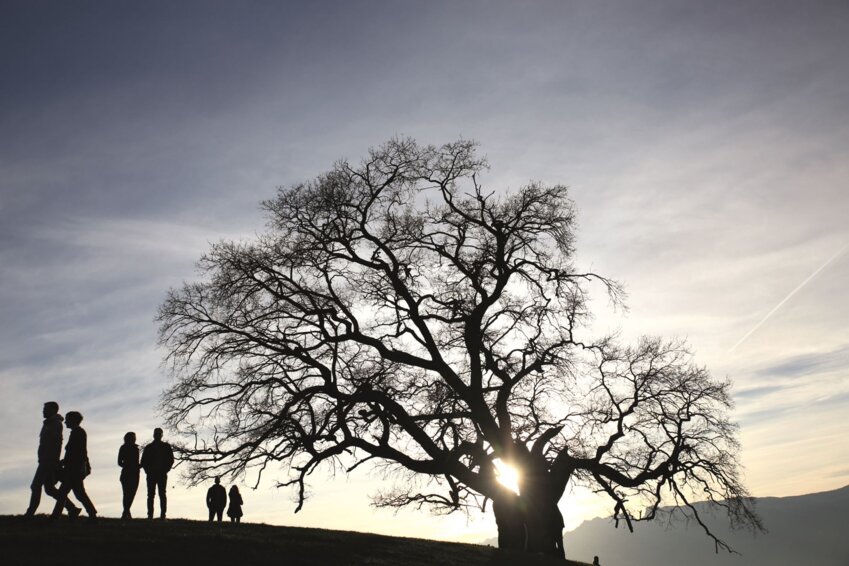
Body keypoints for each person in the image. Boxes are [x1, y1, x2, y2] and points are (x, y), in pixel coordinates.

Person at [24, 402, 81, 518]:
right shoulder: (49, 423)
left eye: (46, 409)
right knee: (49, 489)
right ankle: (72, 508)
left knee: (35, 486)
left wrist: (51, 461)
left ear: (53, 410)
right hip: (45, 460)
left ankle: (30, 513)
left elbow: (56, 444)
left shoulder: (55, 424)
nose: (43, 411)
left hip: (48, 461)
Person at [51, 411, 97, 521]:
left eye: (67, 419)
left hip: (73, 469)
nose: (65, 421)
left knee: (64, 493)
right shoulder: (77, 432)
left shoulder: (78, 432)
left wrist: (65, 463)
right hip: (73, 468)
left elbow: (78, 452)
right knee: (79, 494)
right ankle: (92, 514)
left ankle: (55, 516)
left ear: (72, 420)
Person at [140, 427, 174, 520]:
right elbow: (143, 461)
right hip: (151, 474)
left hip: (162, 473)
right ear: (154, 435)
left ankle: (163, 515)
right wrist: (147, 471)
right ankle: (150, 515)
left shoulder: (166, 447)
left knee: (162, 494)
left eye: (159, 434)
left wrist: (166, 470)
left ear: (161, 435)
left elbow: (171, 460)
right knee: (151, 495)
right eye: (156, 433)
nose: (158, 435)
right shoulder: (148, 447)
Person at [117, 431, 140, 519]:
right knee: (127, 494)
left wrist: (138, 466)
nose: (135, 439)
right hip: (127, 473)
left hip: (135, 473)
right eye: (133, 437)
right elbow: (119, 462)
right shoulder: (123, 448)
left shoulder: (136, 448)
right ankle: (125, 513)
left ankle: (126, 512)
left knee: (131, 494)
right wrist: (128, 466)